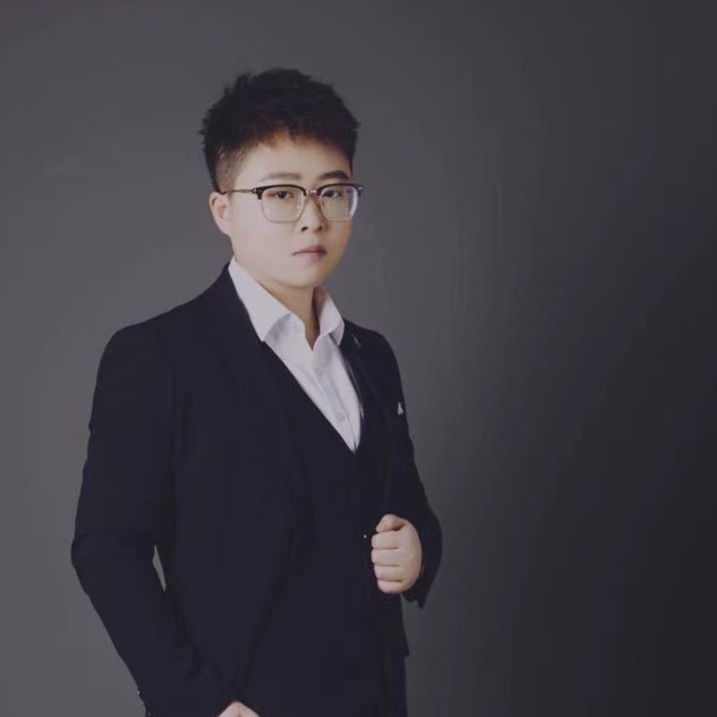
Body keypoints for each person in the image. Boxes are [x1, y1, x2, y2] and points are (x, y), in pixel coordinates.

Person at [70, 67, 442, 717]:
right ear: (224, 210)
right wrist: (198, 701)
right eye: (281, 194)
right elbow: (106, 548)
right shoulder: (158, 357)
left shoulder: (371, 355)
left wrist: (418, 548)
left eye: (332, 192)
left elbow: (403, 502)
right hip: (243, 703)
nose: (312, 219)